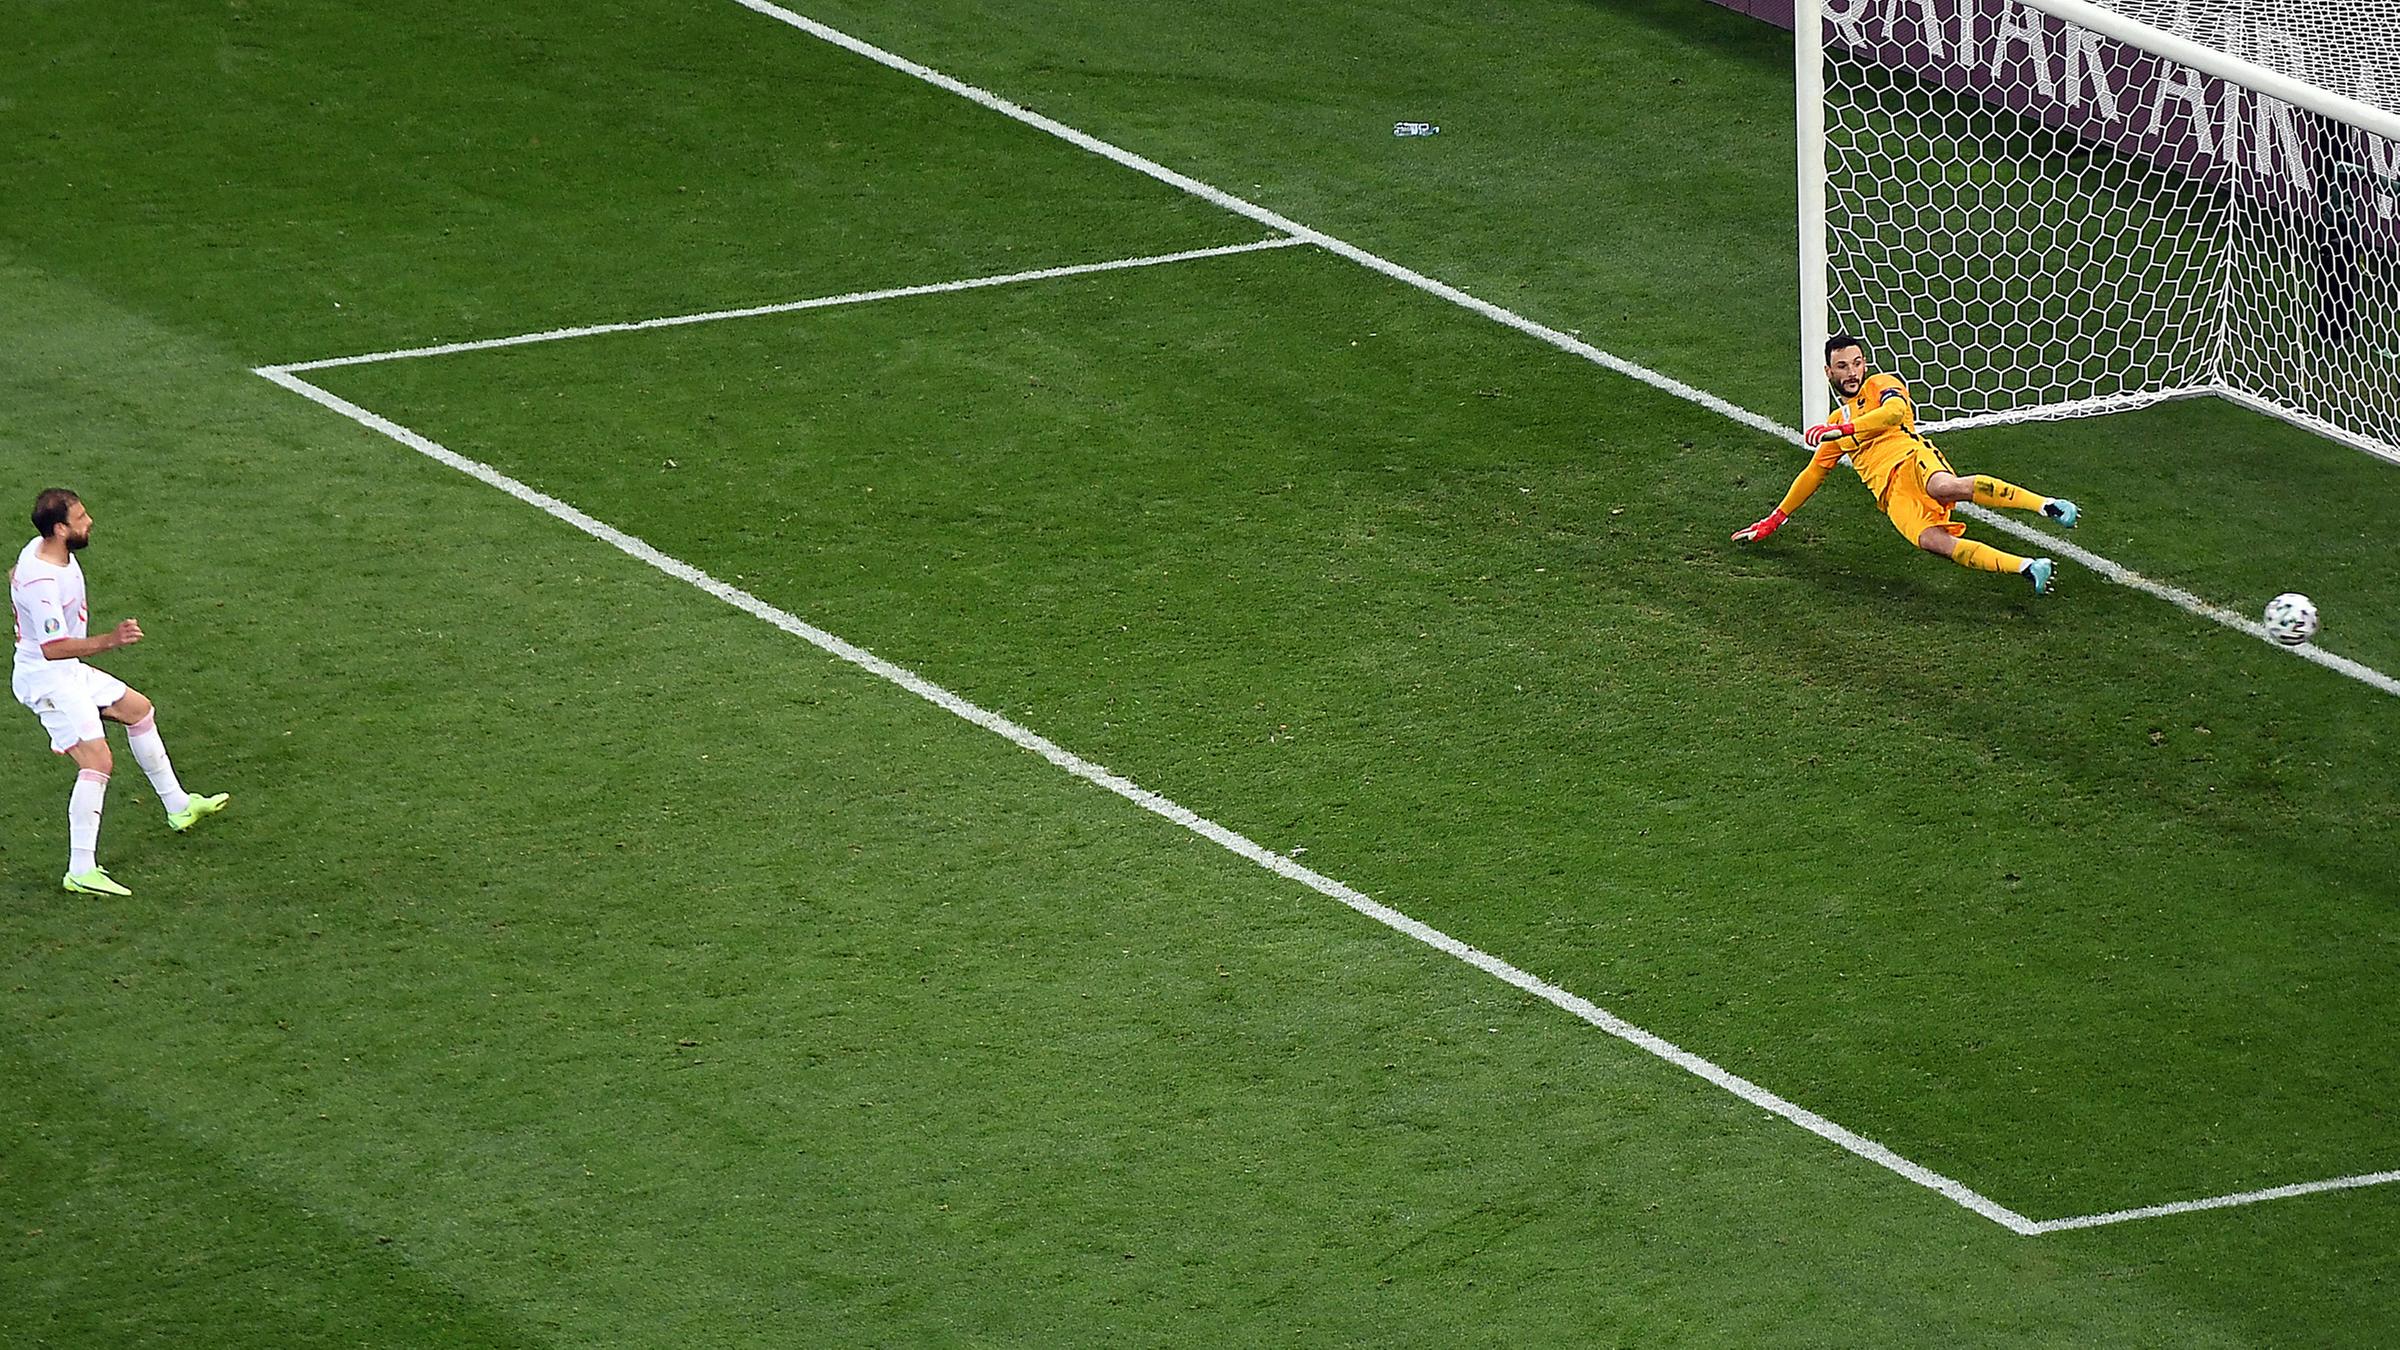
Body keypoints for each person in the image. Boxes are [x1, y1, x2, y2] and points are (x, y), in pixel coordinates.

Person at [1733, 335, 2079, 593]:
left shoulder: (1880, 386)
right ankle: (2028, 567)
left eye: (1857, 363)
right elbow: (1814, 473)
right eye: (1843, 366)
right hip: (1892, 496)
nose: (1852, 372)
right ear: (1828, 371)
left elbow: (1895, 413)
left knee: (1945, 487)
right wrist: (1773, 520)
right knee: (1934, 542)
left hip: (1913, 460)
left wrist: (1845, 430)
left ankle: (2048, 505)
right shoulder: (1835, 424)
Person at [10, 489, 227, 896]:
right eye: (80, 517)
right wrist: (111, 640)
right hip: (48, 678)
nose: (89, 521)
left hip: (66, 672)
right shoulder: (42, 581)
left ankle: (178, 806)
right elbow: (53, 648)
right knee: (97, 761)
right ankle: (80, 870)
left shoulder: (39, 551)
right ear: (60, 529)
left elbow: (14, 575)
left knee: (138, 710)